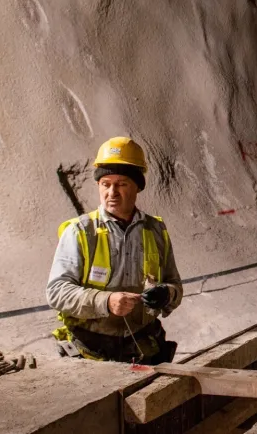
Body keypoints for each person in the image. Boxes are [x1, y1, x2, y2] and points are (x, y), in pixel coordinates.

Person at [47, 137, 183, 364]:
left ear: (138, 186)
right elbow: (57, 292)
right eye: (105, 184)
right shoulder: (80, 231)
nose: (112, 192)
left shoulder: (155, 231)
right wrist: (106, 301)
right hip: (89, 352)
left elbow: (175, 286)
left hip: (143, 350)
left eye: (121, 184)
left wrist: (166, 294)